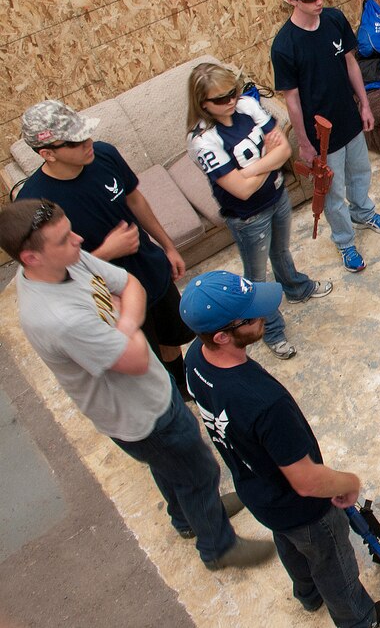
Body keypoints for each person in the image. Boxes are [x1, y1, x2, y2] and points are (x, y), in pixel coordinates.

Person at [0, 199, 275, 570]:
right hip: (139, 412)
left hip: (147, 392)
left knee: (169, 466)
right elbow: (136, 359)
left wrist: (119, 324)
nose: (79, 240)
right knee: (199, 470)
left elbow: (130, 284)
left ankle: (187, 517)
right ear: (30, 258)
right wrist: (128, 321)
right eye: (65, 239)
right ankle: (218, 547)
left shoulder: (65, 259)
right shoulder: (56, 317)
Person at [179, 271, 380, 627]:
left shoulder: (196, 357)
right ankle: (360, 619)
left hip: (259, 491)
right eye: (252, 316)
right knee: (334, 564)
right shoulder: (263, 402)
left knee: (291, 544)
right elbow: (306, 482)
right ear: (223, 336)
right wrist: (349, 482)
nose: (264, 315)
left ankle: (307, 594)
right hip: (303, 507)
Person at [18, 100, 194, 397]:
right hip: (108, 294)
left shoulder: (104, 154)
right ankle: (165, 397)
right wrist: (106, 253)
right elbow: (51, 274)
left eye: (86, 134)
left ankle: (181, 384)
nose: (88, 143)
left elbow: (135, 200)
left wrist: (168, 247)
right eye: (76, 141)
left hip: (149, 268)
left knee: (170, 335)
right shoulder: (34, 204)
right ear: (47, 154)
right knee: (143, 352)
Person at [186, 63, 333, 360]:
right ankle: (272, 330)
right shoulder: (202, 140)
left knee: (281, 253)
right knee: (256, 279)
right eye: (220, 99)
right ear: (203, 104)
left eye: (232, 92)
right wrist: (270, 158)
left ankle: (296, 288)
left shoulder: (248, 104)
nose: (230, 101)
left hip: (277, 197)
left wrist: (253, 168)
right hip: (247, 217)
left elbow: (284, 152)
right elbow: (240, 190)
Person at [271, 0, 380, 273]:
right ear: (290, 0)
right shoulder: (284, 46)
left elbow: (352, 65)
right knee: (331, 192)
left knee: (360, 173)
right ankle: (345, 241)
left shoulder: (334, 19)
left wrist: (365, 106)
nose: (319, 1)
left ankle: (364, 213)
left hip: (349, 118)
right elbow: (292, 98)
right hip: (320, 135)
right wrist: (304, 142)